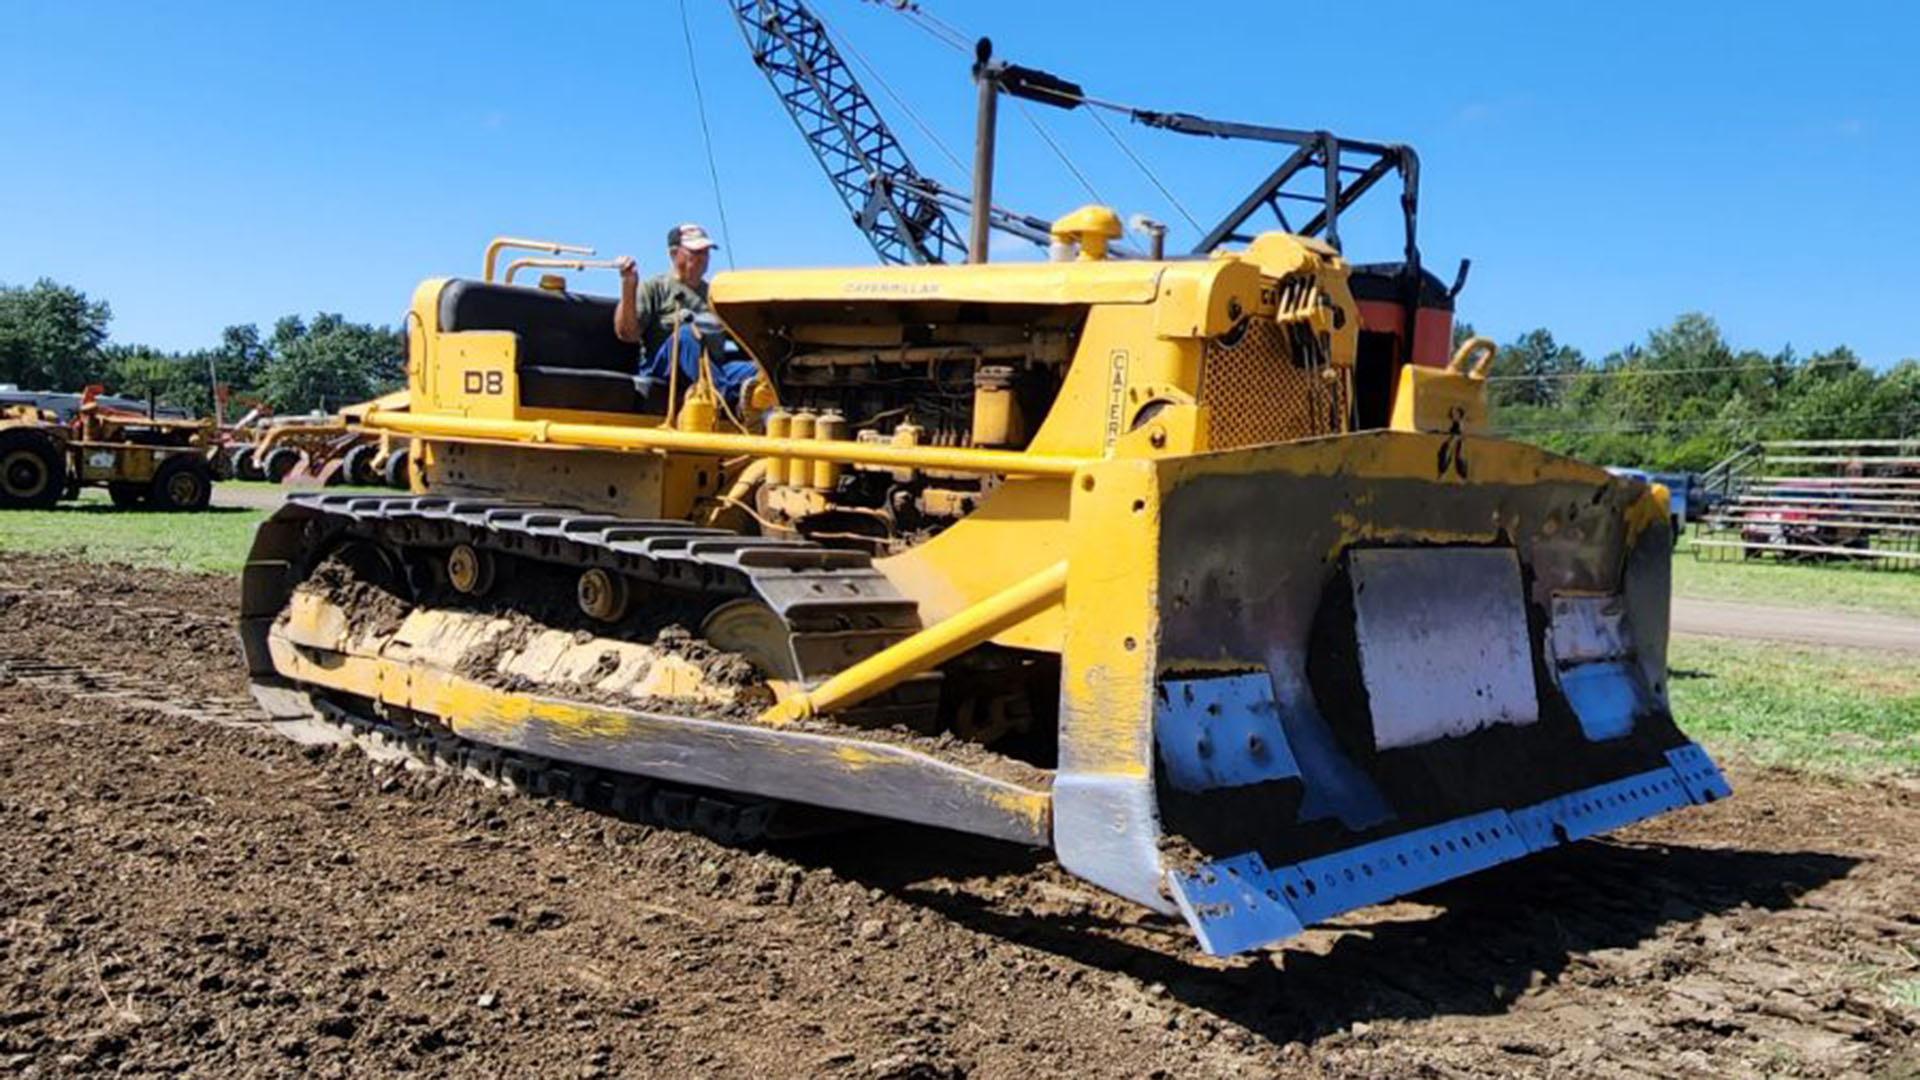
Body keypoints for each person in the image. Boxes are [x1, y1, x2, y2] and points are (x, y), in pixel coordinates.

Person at [613, 223, 757, 410]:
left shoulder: (714, 295)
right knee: (687, 334)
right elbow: (627, 333)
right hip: (664, 370)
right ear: (674, 254)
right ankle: (724, 397)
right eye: (695, 252)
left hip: (713, 369)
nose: (703, 258)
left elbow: (742, 339)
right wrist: (628, 285)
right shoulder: (655, 287)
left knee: (762, 372)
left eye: (706, 252)